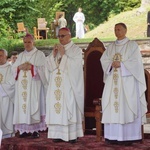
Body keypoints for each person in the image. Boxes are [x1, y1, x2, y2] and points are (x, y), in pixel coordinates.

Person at [100, 23, 147, 145]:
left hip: (128, 83)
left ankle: (129, 136)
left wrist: (122, 64)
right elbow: (103, 60)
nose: (117, 31)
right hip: (113, 83)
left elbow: (136, 62)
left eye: (119, 29)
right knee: (112, 106)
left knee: (126, 106)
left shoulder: (132, 46)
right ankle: (112, 136)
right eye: (115, 29)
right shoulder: (111, 46)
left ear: (125, 30)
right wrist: (111, 64)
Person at [45, 27, 84, 143]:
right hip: (56, 86)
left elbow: (76, 68)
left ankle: (72, 135)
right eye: (59, 36)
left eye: (63, 36)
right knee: (57, 107)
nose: (60, 38)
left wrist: (63, 55)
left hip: (69, 86)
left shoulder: (76, 50)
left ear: (69, 35)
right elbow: (50, 68)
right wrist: (53, 55)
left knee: (68, 108)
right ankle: (57, 134)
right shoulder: (57, 49)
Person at [11, 33, 47, 138]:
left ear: (33, 42)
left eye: (29, 42)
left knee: (33, 107)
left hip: (34, 87)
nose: (27, 44)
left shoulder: (39, 54)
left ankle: (35, 131)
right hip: (22, 88)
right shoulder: (21, 55)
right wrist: (19, 67)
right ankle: (24, 130)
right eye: (25, 42)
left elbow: (44, 70)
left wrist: (32, 67)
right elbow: (13, 69)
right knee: (23, 108)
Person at [0, 49, 14, 139]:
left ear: (6, 56)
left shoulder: (11, 68)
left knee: (6, 116)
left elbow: (12, 83)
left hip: (6, 97)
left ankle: (7, 135)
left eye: (1, 55)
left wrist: (1, 88)